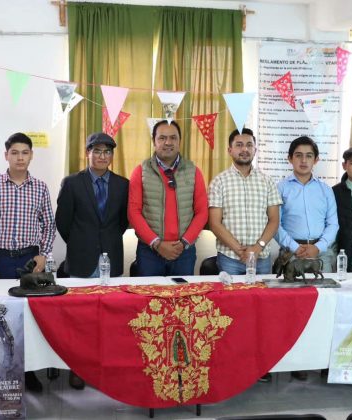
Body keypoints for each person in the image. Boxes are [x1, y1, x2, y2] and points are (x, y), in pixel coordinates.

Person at [0, 132, 56, 392]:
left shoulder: (40, 187)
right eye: (15, 153)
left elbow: (49, 225)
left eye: (25, 153)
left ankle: (28, 372)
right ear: (6, 155)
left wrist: (43, 254)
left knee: (28, 318)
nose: (20, 158)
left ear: (31, 155)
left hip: (30, 261)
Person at [55, 132, 129, 390]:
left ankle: (105, 368)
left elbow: (122, 222)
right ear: (87, 153)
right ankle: (78, 369)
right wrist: (81, 243)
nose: (102, 156)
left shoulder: (123, 185)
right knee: (80, 320)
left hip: (111, 258)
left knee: (109, 318)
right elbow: (63, 222)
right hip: (81, 260)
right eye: (96, 151)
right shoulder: (72, 183)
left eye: (107, 151)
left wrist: (105, 241)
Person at [275, 136, 338, 381]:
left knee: (326, 306)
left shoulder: (325, 190)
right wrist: (295, 247)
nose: (303, 160)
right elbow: (275, 224)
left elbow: (333, 224)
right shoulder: (280, 188)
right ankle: (298, 360)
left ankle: (325, 361)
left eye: (309, 156)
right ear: (290, 159)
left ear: (316, 160)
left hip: (321, 253)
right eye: (298, 155)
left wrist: (318, 248)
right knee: (295, 310)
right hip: (291, 253)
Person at [128, 120, 208, 276]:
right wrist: (157, 243)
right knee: (149, 291)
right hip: (149, 252)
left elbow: (202, 212)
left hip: (184, 252)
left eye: (173, 138)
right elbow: (133, 212)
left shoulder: (194, 171)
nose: (168, 142)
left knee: (182, 292)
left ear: (179, 141)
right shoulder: (141, 171)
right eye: (162, 138)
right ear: (154, 141)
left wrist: (184, 243)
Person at [208, 128, 281, 275]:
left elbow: (274, 220)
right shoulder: (218, 182)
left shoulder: (267, 181)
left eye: (249, 145)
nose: (245, 149)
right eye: (239, 145)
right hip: (230, 258)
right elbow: (214, 223)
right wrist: (240, 250)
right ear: (230, 150)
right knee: (231, 291)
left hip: (261, 258)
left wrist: (257, 248)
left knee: (263, 291)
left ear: (255, 150)